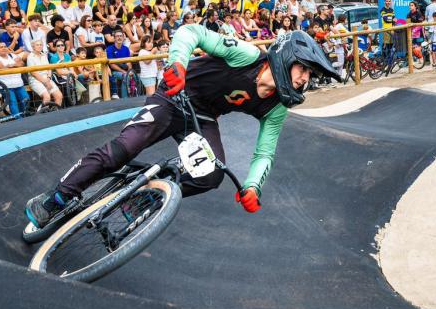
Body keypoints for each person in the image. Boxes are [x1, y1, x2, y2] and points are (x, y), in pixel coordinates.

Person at [25, 26, 341, 229]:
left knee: (212, 176)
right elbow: (192, 32)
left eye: (310, 75)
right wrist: (177, 63)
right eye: (304, 69)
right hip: (174, 95)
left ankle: (143, 197)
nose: (304, 80)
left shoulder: (277, 107)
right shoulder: (246, 55)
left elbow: (264, 152)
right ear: (286, 58)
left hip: (201, 117)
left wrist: (254, 185)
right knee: (123, 149)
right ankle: (54, 199)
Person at [0, 42, 29, 119]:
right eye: (1, 47)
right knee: (13, 102)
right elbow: (1, 67)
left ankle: (23, 116)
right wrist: (15, 65)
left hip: (18, 84)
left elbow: (22, 63)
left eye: (5, 46)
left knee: (26, 99)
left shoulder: (12, 55)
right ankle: (18, 120)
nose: (4, 48)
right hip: (5, 86)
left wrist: (11, 65)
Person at [25, 40, 63, 108]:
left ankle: (55, 113)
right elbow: (34, 73)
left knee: (59, 96)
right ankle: (41, 115)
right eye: (37, 45)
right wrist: (45, 82)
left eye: (41, 45)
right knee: (47, 97)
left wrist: (48, 78)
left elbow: (49, 68)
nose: (39, 46)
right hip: (35, 80)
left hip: (47, 79)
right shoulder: (30, 57)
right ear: (33, 47)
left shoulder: (44, 55)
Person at [106, 30, 133, 99]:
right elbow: (112, 65)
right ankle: (125, 98)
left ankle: (134, 96)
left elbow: (129, 62)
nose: (119, 38)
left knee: (136, 77)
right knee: (125, 76)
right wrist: (124, 72)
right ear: (114, 38)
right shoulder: (109, 49)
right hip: (114, 72)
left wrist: (130, 71)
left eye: (121, 36)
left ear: (124, 38)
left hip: (125, 70)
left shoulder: (126, 48)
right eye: (117, 36)